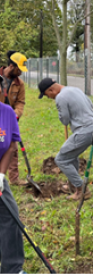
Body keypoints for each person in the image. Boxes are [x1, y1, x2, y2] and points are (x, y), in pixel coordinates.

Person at [37, 78, 93, 201]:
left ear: (51, 89)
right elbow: (90, 104)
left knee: (61, 159)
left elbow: (64, 119)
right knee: (71, 156)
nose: (49, 98)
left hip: (83, 131)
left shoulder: (60, 97)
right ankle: (72, 185)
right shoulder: (75, 89)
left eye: (47, 95)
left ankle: (82, 190)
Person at [0, 75, 26, 273]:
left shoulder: (7, 113)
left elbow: (10, 145)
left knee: (10, 216)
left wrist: (2, 175)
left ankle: (12, 268)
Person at [0, 51, 28, 186]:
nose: (21, 73)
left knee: (12, 147)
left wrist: (15, 115)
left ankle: (14, 179)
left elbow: (20, 102)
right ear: (11, 66)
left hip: (9, 119)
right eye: (19, 69)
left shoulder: (19, 84)